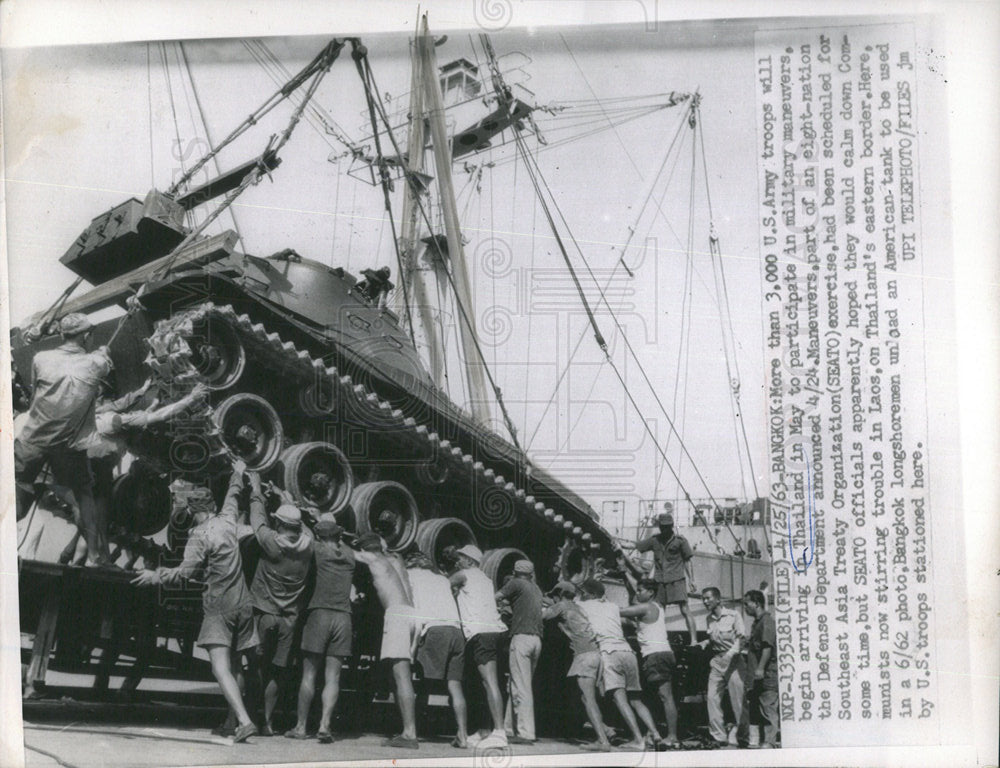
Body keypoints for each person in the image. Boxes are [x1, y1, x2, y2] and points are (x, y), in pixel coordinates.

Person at [131, 460, 260, 744]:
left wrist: (155, 575)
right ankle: (231, 721)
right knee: (236, 666)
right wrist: (238, 473)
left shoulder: (199, 536)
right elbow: (233, 495)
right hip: (243, 602)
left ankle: (245, 721)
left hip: (219, 606)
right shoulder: (228, 520)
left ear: (192, 511)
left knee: (219, 667)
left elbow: (184, 574)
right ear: (211, 506)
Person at [56, 381, 209, 566]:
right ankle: (89, 561)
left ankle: (73, 560)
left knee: (92, 520)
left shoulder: (98, 416)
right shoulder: (112, 422)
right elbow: (157, 417)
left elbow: (126, 409)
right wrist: (191, 398)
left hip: (86, 473)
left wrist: (145, 394)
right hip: (89, 476)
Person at [14, 313, 113, 566]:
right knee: (84, 497)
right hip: (68, 446)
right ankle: (93, 555)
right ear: (86, 336)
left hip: (33, 439)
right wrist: (102, 350)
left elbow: (36, 395)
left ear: (61, 334)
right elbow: (104, 360)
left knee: (16, 493)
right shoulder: (96, 362)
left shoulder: (40, 358)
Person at [246, 477, 314, 737]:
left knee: (257, 668)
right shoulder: (308, 546)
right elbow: (306, 528)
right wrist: (284, 498)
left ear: (278, 523)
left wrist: (256, 490)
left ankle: (252, 717)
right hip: (289, 620)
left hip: (264, 615)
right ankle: (268, 723)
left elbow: (256, 519)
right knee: (277, 671)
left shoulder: (271, 543)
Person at [578, 578, 667, 751]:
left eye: (583, 593)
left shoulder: (585, 606)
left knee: (620, 699)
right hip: (627, 652)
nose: (581, 595)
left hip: (609, 652)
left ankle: (637, 740)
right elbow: (625, 620)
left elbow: (569, 606)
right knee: (636, 698)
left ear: (590, 594)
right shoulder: (612, 606)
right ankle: (655, 734)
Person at [287, 519, 355, 743]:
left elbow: (304, 534)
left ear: (320, 537)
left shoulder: (318, 550)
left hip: (320, 614)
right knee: (333, 677)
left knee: (309, 674)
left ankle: (300, 727)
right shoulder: (349, 553)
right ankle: (325, 725)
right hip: (344, 618)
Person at [352, 532, 420, 749]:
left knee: (401, 677)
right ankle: (406, 730)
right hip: (411, 613)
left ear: (365, 550)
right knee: (398, 675)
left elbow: (344, 552)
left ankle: (410, 733)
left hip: (397, 615)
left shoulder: (373, 558)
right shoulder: (395, 560)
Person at [405, 551, 469, 748]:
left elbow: (417, 615)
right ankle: (463, 735)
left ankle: (412, 732)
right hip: (457, 632)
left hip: (436, 630)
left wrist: (412, 649)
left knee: (422, 681)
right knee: (454, 686)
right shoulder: (441, 579)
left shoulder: (411, 577)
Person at [541, 581, 613, 751]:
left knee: (588, 699)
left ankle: (603, 742)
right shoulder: (579, 608)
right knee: (585, 698)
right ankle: (606, 730)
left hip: (584, 656)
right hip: (595, 654)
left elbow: (542, 617)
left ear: (559, 594)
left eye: (554, 595)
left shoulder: (561, 605)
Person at [449, 544, 509, 748]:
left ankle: (499, 733)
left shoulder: (464, 574)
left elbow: (445, 586)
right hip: (492, 631)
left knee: (489, 682)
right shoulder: (486, 580)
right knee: (481, 683)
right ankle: (485, 730)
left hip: (481, 632)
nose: (457, 561)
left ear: (469, 561)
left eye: (460, 557)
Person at [619, 568, 680, 747]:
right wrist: (625, 573)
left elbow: (622, 611)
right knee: (659, 697)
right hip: (663, 653)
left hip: (656, 655)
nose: (637, 594)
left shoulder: (646, 607)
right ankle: (656, 734)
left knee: (665, 697)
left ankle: (672, 737)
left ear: (651, 593)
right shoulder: (657, 607)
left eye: (640, 591)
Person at [496, 559, 543, 744]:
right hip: (536, 640)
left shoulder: (515, 582)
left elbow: (495, 597)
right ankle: (509, 727)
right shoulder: (536, 588)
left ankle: (526, 733)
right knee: (515, 685)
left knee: (521, 687)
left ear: (515, 572)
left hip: (521, 637)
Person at [633, 507, 697, 645]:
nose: (664, 529)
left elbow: (687, 561)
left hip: (677, 581)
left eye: (667, 527)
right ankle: (660, 639)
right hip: (660, 581)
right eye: (662, 527)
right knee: (660, 612)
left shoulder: (680, 541)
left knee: (685, 610)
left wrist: (692, 580)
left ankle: (694, 640)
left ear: (672, 526)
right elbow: (637, 545)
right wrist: (619, 545)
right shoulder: (655, 540)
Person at [698, 586, 748, 748]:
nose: (705, 602)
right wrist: (705, 642)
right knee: (712, 698)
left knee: (738, 700)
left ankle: (743, 737)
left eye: (708, 598)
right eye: (703, 599)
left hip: (733, 660)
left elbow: (741, 640)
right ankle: (718, 736)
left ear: (718, 599)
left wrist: (729, 655)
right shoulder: (709, 619)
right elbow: (713, 638)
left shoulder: (734, 615)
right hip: (717, 661)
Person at [742, 589, 779, 748]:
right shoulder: (756, 623)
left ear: (756, 603)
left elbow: (767, 647)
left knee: (768, 706)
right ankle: (756, 741)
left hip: (766, 673)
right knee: (757, 706)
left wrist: (761, 668)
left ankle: (769, 742)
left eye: (746, 603)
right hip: (756, 675)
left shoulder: (767, 622)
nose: (745, 607)